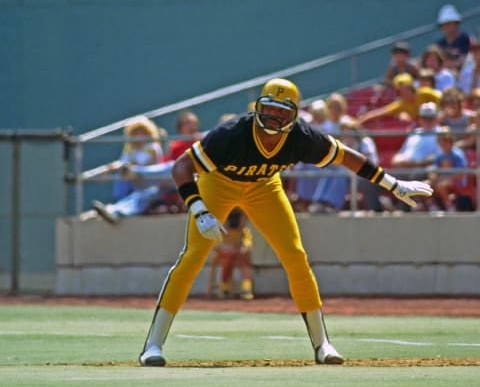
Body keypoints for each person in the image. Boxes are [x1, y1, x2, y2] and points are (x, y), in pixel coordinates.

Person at [139, 78, 433, 367]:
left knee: (295, 256)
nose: (276, 117)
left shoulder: (301, 137)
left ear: (294, 115)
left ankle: (322, 345)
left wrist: (392, 183)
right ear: (258, 109)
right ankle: (153, 344)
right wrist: (199, 209)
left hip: (264, 186)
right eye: (271, 109)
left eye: (283, 111)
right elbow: (182, 167)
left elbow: (345, 155)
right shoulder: (231, 133)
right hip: (219, 182)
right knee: (193, 256)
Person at [91, 116, 174, 223]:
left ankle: (116, 211)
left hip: (154, 182)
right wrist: (110, 168)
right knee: (128, 185)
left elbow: (143, 163)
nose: (140, 134)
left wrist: (125, 167)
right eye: (136, 132)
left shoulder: (153, 147)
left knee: (145, 194)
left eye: (143, 131)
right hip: (137, 183)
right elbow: (123, 163)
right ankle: (112, 210)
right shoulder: (130, 148)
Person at [357, 72, 441, 126]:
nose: (403, 92)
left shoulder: (424, 92)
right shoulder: (401, 104)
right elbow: (379, 112)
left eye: (405, 88)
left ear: (411, 87)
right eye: (400, 90)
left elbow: (443, 98)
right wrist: (359, 121)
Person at [209, 208, 254, 300]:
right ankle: (224, 288)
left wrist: (243, 248)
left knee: (244, 257)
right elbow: (216, 246)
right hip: (224, 255)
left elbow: (247, 244)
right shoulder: (220, 229)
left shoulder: (244, 231)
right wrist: (228, 248)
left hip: (238, 254)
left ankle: (246, 288)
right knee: (228, 256)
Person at [428, 126, 473, 212]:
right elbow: (434, 169)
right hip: (444, 181)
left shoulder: (457, 154)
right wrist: (433, 176)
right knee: (425, 185)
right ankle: (432, 206)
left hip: (458, 182)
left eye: (446, 140)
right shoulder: (440, 156)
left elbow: (461, 173)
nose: (443, 143)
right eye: (441, 140)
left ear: (451, 141)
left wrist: (447, 179)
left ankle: (450, 207)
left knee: (441, 185)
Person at [436, 4, 474, 69]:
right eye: (444, 24)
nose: (446, 27)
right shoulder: (439, 44)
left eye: (449, 23)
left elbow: (473, 58)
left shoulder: (467, 39)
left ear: (457, 24)